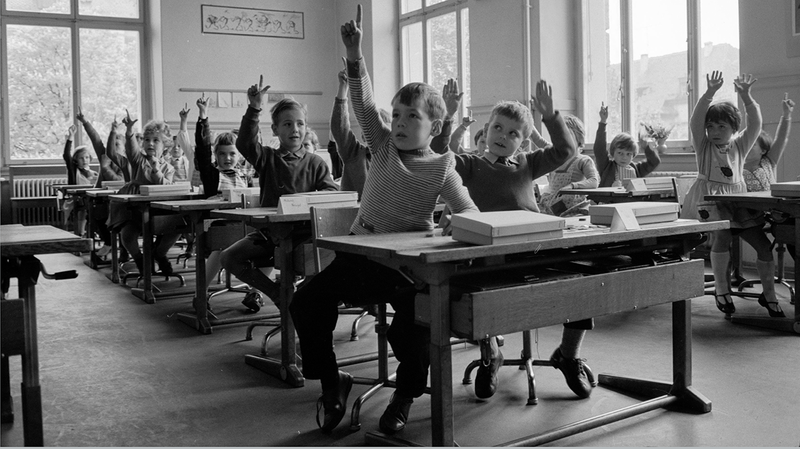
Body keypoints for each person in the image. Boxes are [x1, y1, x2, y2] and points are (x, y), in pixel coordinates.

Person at [289, 5, 478, 435]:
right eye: (397, 115)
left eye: (413, 117)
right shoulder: (384, 147)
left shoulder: (443, 165)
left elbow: (468, 210)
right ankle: (332, 380)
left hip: (407, 269)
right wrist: (355, 56)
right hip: (362, 258)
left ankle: (405, 396)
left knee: (413, 332)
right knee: (306, 300)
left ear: (434, 126)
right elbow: (364, 103)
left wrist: (458, 223)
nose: (401, 123)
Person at [440, 81, 594, 401]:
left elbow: (566, 151)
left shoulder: (528, 164)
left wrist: (551, 116)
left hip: (533, 251)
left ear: (523, 144)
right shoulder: (470, 164)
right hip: (489, 256)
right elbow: (439, 158)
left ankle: (567, 355)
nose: (502, 136)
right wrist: (449, 115)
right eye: (498, 127)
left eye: (513, 134)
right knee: (478, 296)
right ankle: (491, 353)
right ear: (486, 129)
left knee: (581, 282)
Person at [219, 77, 337, 311]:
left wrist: (306, 201)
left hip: (303, 236)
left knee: (321, 262)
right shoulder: (267, 158)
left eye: (300, 124)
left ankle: (301, 299)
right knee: (228, 257)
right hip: (269, 235)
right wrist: (254, 108)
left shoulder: (316, 163)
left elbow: (330, 193)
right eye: (287, 124)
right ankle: (276, 293)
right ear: (275, 129)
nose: (295, 129)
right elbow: (244, 143)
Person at [681, 71, 773, 316]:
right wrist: (709, 93)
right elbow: (695, 120)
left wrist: (746, 96)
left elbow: (756, 124)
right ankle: (722, 290)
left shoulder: (740, 146)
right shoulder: (704, 145)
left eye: (722, 126)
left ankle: (769, 294)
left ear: (733, 128)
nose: (715, 131)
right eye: (710, 126)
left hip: (738, 199)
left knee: (763, 245)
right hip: (711, 198)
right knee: (722, 237)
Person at [193, 94, 254, 311]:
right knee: (220, 249)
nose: (227, 158)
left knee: (270, 245)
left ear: (239, 156)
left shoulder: (245, 175)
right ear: (216, 156)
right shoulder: (212, 175)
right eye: (222, 154)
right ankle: (200, 293)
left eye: (232, 154)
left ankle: (254, 293)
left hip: (244, 226)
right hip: (220, 227)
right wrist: (203, 117)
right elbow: (202, 149)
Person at [736, 93, 795, 315]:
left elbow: (782, 139)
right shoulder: (735, 166)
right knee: (764, 248)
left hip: (773, 215)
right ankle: (769, 296)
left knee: (794, 238)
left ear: (763, 150)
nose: (746, 146)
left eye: (753, 144)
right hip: (745, 217)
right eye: (745, 142)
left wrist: (786, 115)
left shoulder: (769, 161)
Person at [107, 110, 180, 275]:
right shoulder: (139, 160)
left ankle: (159, 253)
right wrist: (129, 131)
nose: (150, 144)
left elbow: (166, 187)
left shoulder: (168, 168)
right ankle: (140, 259)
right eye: (147, 140)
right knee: (127, 234)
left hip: (159, 210)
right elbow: (131, 150)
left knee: (178, 226)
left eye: (156, 140)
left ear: (166, 146)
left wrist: (156, 170)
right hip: (134, 210)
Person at [76, 108, 126, 262]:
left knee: (110, 216)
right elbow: (95, 139)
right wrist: (85, 122)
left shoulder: (125, 161)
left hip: (119, 200)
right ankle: (109, 243)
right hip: (102, 199)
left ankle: (117, 248)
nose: (113, 147)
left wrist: (105, 168)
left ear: (123, 147)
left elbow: (119, 181)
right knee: (94, 215)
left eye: (117, 144)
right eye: (111, 143)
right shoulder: (105, 155)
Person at [534, 113, 599, 216]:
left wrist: (573, 186)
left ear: (578, 138)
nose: (562, 141)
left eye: (567, 136)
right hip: (550, 208)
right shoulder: (555, 155)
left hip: (573, 210)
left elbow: (594, 181)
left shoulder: (583, 160)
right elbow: (538, 140)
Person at [594, 103, 661, 187]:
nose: (624, 157)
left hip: (631, 200)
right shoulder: (606, 166)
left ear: (633, 155)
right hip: (611, 199)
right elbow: (599, 149)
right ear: (613, 152)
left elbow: (654, 162)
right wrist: (603, 122)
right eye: (620, 153)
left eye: (628, 154)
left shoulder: (637, 169)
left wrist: (646, 148)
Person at [62, 125, 99, 236]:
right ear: (76, 160)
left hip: (87, 199)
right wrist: (70, 137)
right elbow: (66, 155)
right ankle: (81, 234)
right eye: (81, 158)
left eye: (87, 157)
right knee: (82, 210)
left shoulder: (92, 173)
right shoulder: (73, 170)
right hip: (75, 199)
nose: (85, 160)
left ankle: (94, 232)